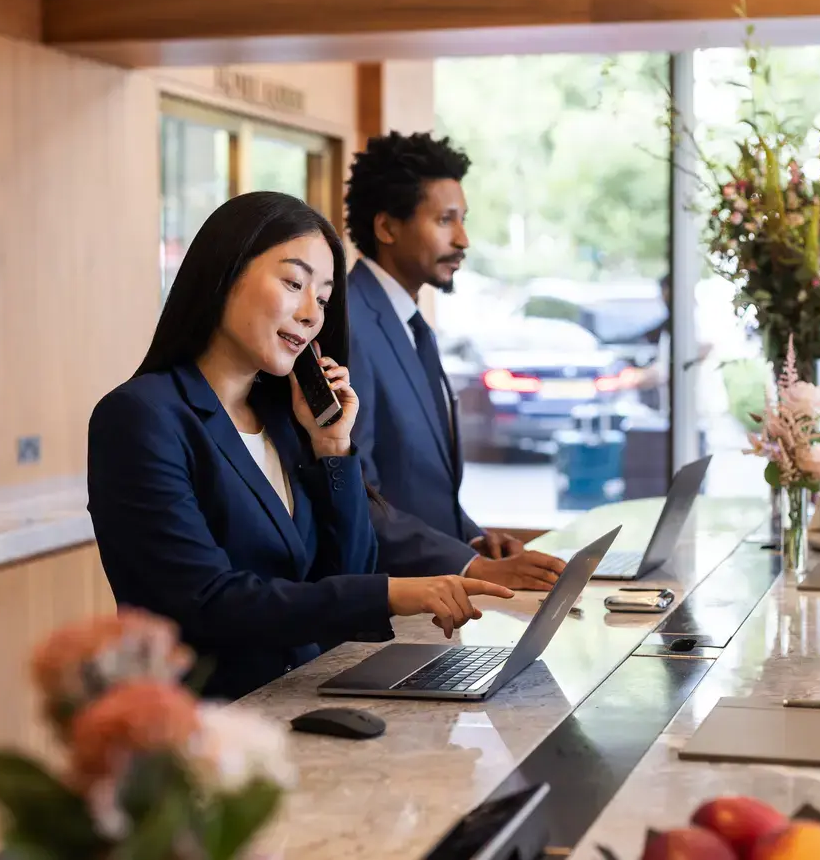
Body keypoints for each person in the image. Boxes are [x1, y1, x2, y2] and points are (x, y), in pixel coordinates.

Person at [87, 192, 513, 701]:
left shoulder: (286, 421)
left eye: (325, 298)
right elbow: (204, 603)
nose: (313, 314)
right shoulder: (141, 416)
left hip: (304, 706)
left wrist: (333, 449)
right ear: (225, 273)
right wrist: (392, 593)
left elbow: (349, 572)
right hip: (205, 731)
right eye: (294, 284)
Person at [344, 130, 566, 590]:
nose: (463, 239)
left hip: (438, 592)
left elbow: (417, 483)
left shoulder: (406, 320)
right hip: (385, 607)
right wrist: (469, 567)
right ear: (387, 228)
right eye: (446, 220)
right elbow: (356, 493)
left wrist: (471, 541)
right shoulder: (348, 323)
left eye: (462, 219)